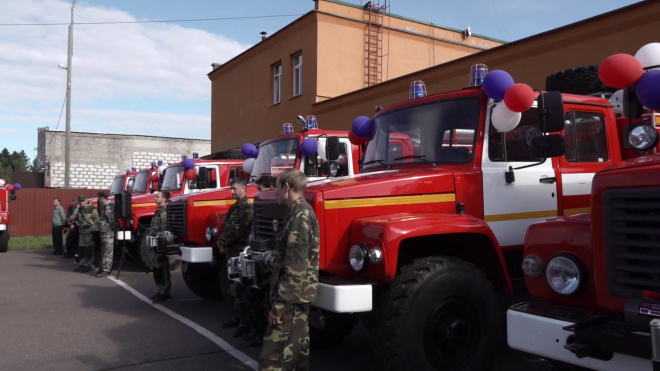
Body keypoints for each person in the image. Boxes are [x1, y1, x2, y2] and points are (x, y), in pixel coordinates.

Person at [259, 169, 319, 371]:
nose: (274, 192)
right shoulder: (297, 213)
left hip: (291, 302)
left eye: (276, 187)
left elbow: (295, 267)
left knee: (273, 359)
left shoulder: (300, 217)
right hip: (297, 299)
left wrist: (280, 305)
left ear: (287, 187)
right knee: (298, 357)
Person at [242, 175, 276, 347]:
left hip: (273, 263)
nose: (258, 193)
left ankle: (265, 335)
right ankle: (257, 331)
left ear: (271, 187)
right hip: (261, 258)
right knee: (253, 293)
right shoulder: (263, 207)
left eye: (261, 189)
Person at [219, 177, 253, 337]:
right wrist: (222, 242)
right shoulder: (235, 208)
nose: (231, 191)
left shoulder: (247, 208)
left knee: (240, 288)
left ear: (243, 189)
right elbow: (226, 226)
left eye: (234, 188)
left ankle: (246, 322)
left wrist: (223, 241)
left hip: (239, 253)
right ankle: (236, 317)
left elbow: (238, 230)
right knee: (230, 285)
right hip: (230, 252)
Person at [149, 190, 172, 304]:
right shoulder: (159, 211)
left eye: (157, 197)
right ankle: (161, 290)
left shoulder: (164, 212)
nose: (155, 198)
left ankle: (165, 292)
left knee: (161, 268)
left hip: (160, 244)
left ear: (164, 199)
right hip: (155, 243)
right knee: (156, 269)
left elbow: (164, 229)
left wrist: (162, 246)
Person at [93, 192, 118, 278]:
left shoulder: (108, 206)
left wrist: (113, 230)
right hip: (104, 231)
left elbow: (112, 220)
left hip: (108, 232)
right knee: (104, 251)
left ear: (101, 198)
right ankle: (103, 267)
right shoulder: (104, 206)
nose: (99, 200)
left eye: (99, 198)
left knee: (108, 251)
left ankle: (107, 269)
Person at [73, 195, 99, 273]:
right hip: (82, 232)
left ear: (86, 200)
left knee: (88, 249)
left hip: (89, 233)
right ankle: (82, 264)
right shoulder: (80, 209)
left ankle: (88, 265)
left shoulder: (92, 209)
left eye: (83, 201)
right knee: (81, 249)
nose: (82, 203)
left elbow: (97, 220)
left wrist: (95, 229)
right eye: (80, 201)